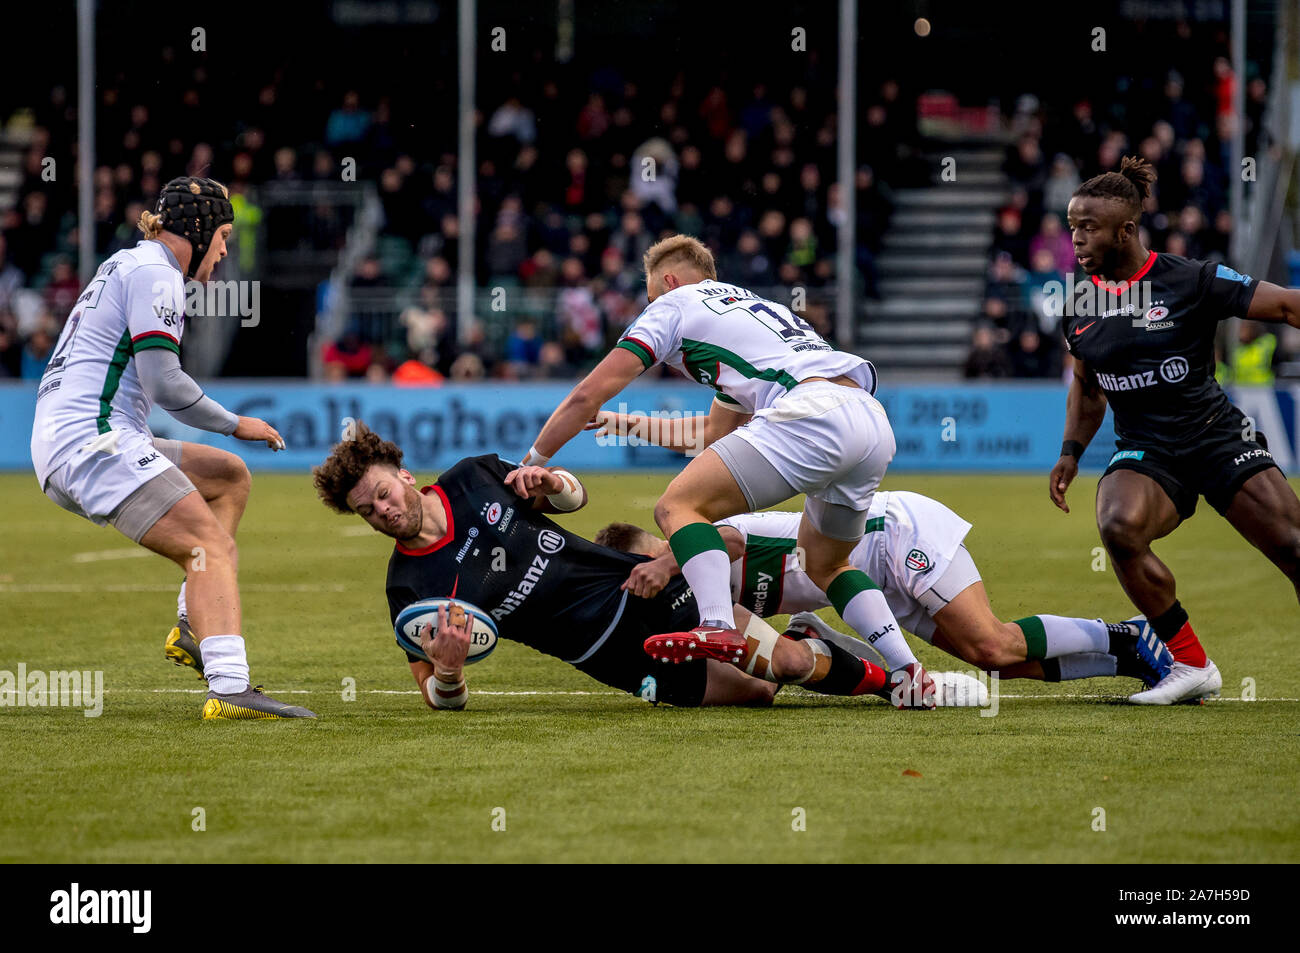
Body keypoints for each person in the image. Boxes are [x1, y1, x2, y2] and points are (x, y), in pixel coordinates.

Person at [516, 235, 938, 708]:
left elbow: (584, 395)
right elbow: (715, 434)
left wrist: (531, 463)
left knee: (677, 506)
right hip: (869, 421)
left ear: (669, 282)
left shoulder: (674, 304)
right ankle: (909, 675)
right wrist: (626, 423)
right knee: (827, 564)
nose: (651, 306)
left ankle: (716, 623)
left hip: (811, 414)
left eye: (651, 297)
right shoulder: (748, 311)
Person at [310, 423, 984, 710]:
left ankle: (892, 686)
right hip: (610, 660)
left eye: (382, 492)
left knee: (779, 666)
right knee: (756, 694)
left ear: (401, 471)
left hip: (637, 591)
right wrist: (451, 674)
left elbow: (573, 497)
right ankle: (809, 635)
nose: (383, 510)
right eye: (368, 511)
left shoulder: (472, 478)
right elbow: (433, 693)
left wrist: (553, 484)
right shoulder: (409, 589)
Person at [30, 176, 313, 720]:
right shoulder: (158, 274)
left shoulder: (129, 264)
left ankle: (191, 626)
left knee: (228, 477)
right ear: (199, 229)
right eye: (224, 235)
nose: (226, 250)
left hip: (86, 434)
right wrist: (235, 422)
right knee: (209, 545)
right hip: (91, 440)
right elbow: (165, 385)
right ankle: (229, 685)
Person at [1052, 156, 1300, 705]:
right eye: (1072, 226)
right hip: (1147, 451)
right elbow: (1088, 387)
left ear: (1127, 230)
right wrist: (1071, 451)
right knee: (1119, 527)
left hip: (1216, 438)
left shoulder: (1191, 279)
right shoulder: (1078, 305)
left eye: (1088, 227)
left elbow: (1285, 306)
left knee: (1295, 548)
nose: (1076, 239)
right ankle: (1191, 665)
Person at [594, 492, 1171, 689]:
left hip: (895, 534)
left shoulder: (707, 549)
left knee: (993, 642)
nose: (666, 572)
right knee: (990, 662)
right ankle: (1126, 658)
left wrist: (667, 564)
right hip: (872, 588)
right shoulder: (710, 603)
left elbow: (728, 543)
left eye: (659, 552)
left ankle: (1126, 632)